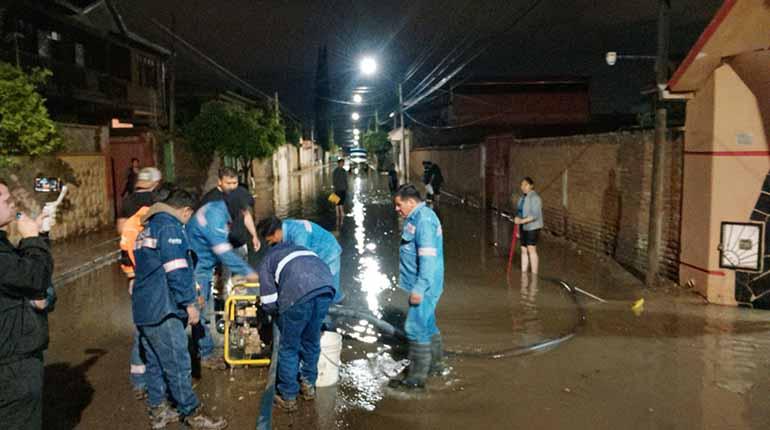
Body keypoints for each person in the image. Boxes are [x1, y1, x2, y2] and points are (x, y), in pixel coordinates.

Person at [132, 188, 227, 430]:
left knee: (154, 361)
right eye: (189, 216)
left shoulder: (149, 227)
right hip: (163, 308)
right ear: (185, 211)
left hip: (144, 308)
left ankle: (159, 410)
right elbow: (176, 270)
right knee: (177, 362)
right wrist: (190, 304)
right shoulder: (170, 227)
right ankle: (192, 412)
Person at [188, 171, 258, 370]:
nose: (245, 213)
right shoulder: (215, 215)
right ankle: (205, 354)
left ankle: (201, 348)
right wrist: (249, 272)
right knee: (200, 308)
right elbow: (223, 251)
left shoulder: (220, 208)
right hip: (197, 265)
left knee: (203, 306)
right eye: (243, 210)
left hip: (203, 262)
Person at [0, 179, 54, 430]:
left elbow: (24, 273)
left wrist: (41, 236)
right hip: (11, 362)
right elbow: (34, 277)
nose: (13, 202)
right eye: (5, 199)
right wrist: (32, 238)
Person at [257, 242, 335, 412]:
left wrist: (274, 312)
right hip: (325, 287)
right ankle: (308, 386)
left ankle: (288, 396)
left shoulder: (267, 260)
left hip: (298, 293)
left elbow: (269, 302)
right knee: (311, 341)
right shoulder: (302, 249)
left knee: (289, 347)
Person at [389, 184, 445, 389]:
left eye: (399, 204)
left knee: (413, 328)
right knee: (428, 325)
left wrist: (420, 288)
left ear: (411, 202)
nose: (397, 209)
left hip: (426, 285)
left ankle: (416, 381)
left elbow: (428, 259)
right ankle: (437, 366)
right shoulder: (417, 217)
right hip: (425, 283)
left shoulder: (424, 220)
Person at [116, 167, 162, 398]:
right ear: (157, 183)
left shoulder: (127, 202)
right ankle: (156, 382)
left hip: (134, 274)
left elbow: (122, 235)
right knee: (158, 326)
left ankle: (138, 381)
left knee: (140, 327)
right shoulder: (157, 203)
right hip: (152, 276)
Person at [257, 216, 344, 303]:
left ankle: (339, 306)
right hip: (314, 254)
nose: (271, 243)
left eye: (270, 241)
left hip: (328, 252)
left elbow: (303, 263)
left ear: (275, 233)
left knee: (329, 289)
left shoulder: (299, 234)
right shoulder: (283, 228)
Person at [514, 177, 544, 275]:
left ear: (531, 186)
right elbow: (519, 212)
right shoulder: (522, 198)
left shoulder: (535, 198)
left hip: (533, 227)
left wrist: (522, 221)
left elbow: (535, 215)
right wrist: (518, 227)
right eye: (522, 185)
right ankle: (524, 272)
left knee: (531, 248)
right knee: (523, 249)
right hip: (523, 226)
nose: (523, 187)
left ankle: (534, 274)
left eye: (525, 185)